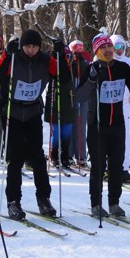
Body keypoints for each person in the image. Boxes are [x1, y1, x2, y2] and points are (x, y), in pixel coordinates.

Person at [0, 29, 69, 219]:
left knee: (37, 157)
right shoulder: (14, 58)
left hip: (33, 111)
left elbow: (64, 78)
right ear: (22, 46)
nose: (31, 50)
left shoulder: (45, 60)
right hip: (13, 112)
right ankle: (13, 201)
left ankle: (44, 198)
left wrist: (61, 55)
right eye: (28, 46)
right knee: (16, 157)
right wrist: (7, 55)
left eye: (34, 46)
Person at [84, 34, 130, 218]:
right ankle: (96, 204)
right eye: (103, 48)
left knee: (116, 165)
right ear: (97, 51)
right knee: (98, 166)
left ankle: (114, 202)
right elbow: (80, 96)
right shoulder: (92, 69)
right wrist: (91, 81)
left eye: (109, 47)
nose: (108, 51)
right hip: (97, 125)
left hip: (117, 124)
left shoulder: (122, 67)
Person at [45, 39, 77, 168]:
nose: (69, 58)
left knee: (66, 132)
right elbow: (52, 68)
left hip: (68, 103)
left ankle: (65, 156)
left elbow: (68, 76)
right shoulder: (56, 61)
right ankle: (54, 156)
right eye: (66, 56)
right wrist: (55, 54)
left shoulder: (74, 66)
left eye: (70, 56)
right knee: (56, 132)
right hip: (55, 100)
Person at [110, 34, 130, 184]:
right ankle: (109, 165)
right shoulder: (107, 62)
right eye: (116, 47)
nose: (119, 50)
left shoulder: (129, 63)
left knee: (124, 136)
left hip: (124, 105)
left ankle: (124, 167)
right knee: (110, 137)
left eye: (122, 47)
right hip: (109, 104)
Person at [68, 40, 91, 168]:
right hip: (70, 97)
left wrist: (81, 63)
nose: (77, 54)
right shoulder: (69, 63)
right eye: (74, 52)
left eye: (79, 51)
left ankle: (81, 156)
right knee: (70, 126)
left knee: (81, 127)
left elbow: (88, 75)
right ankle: (69, 154)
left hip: (82, 97)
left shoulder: (86, 62)